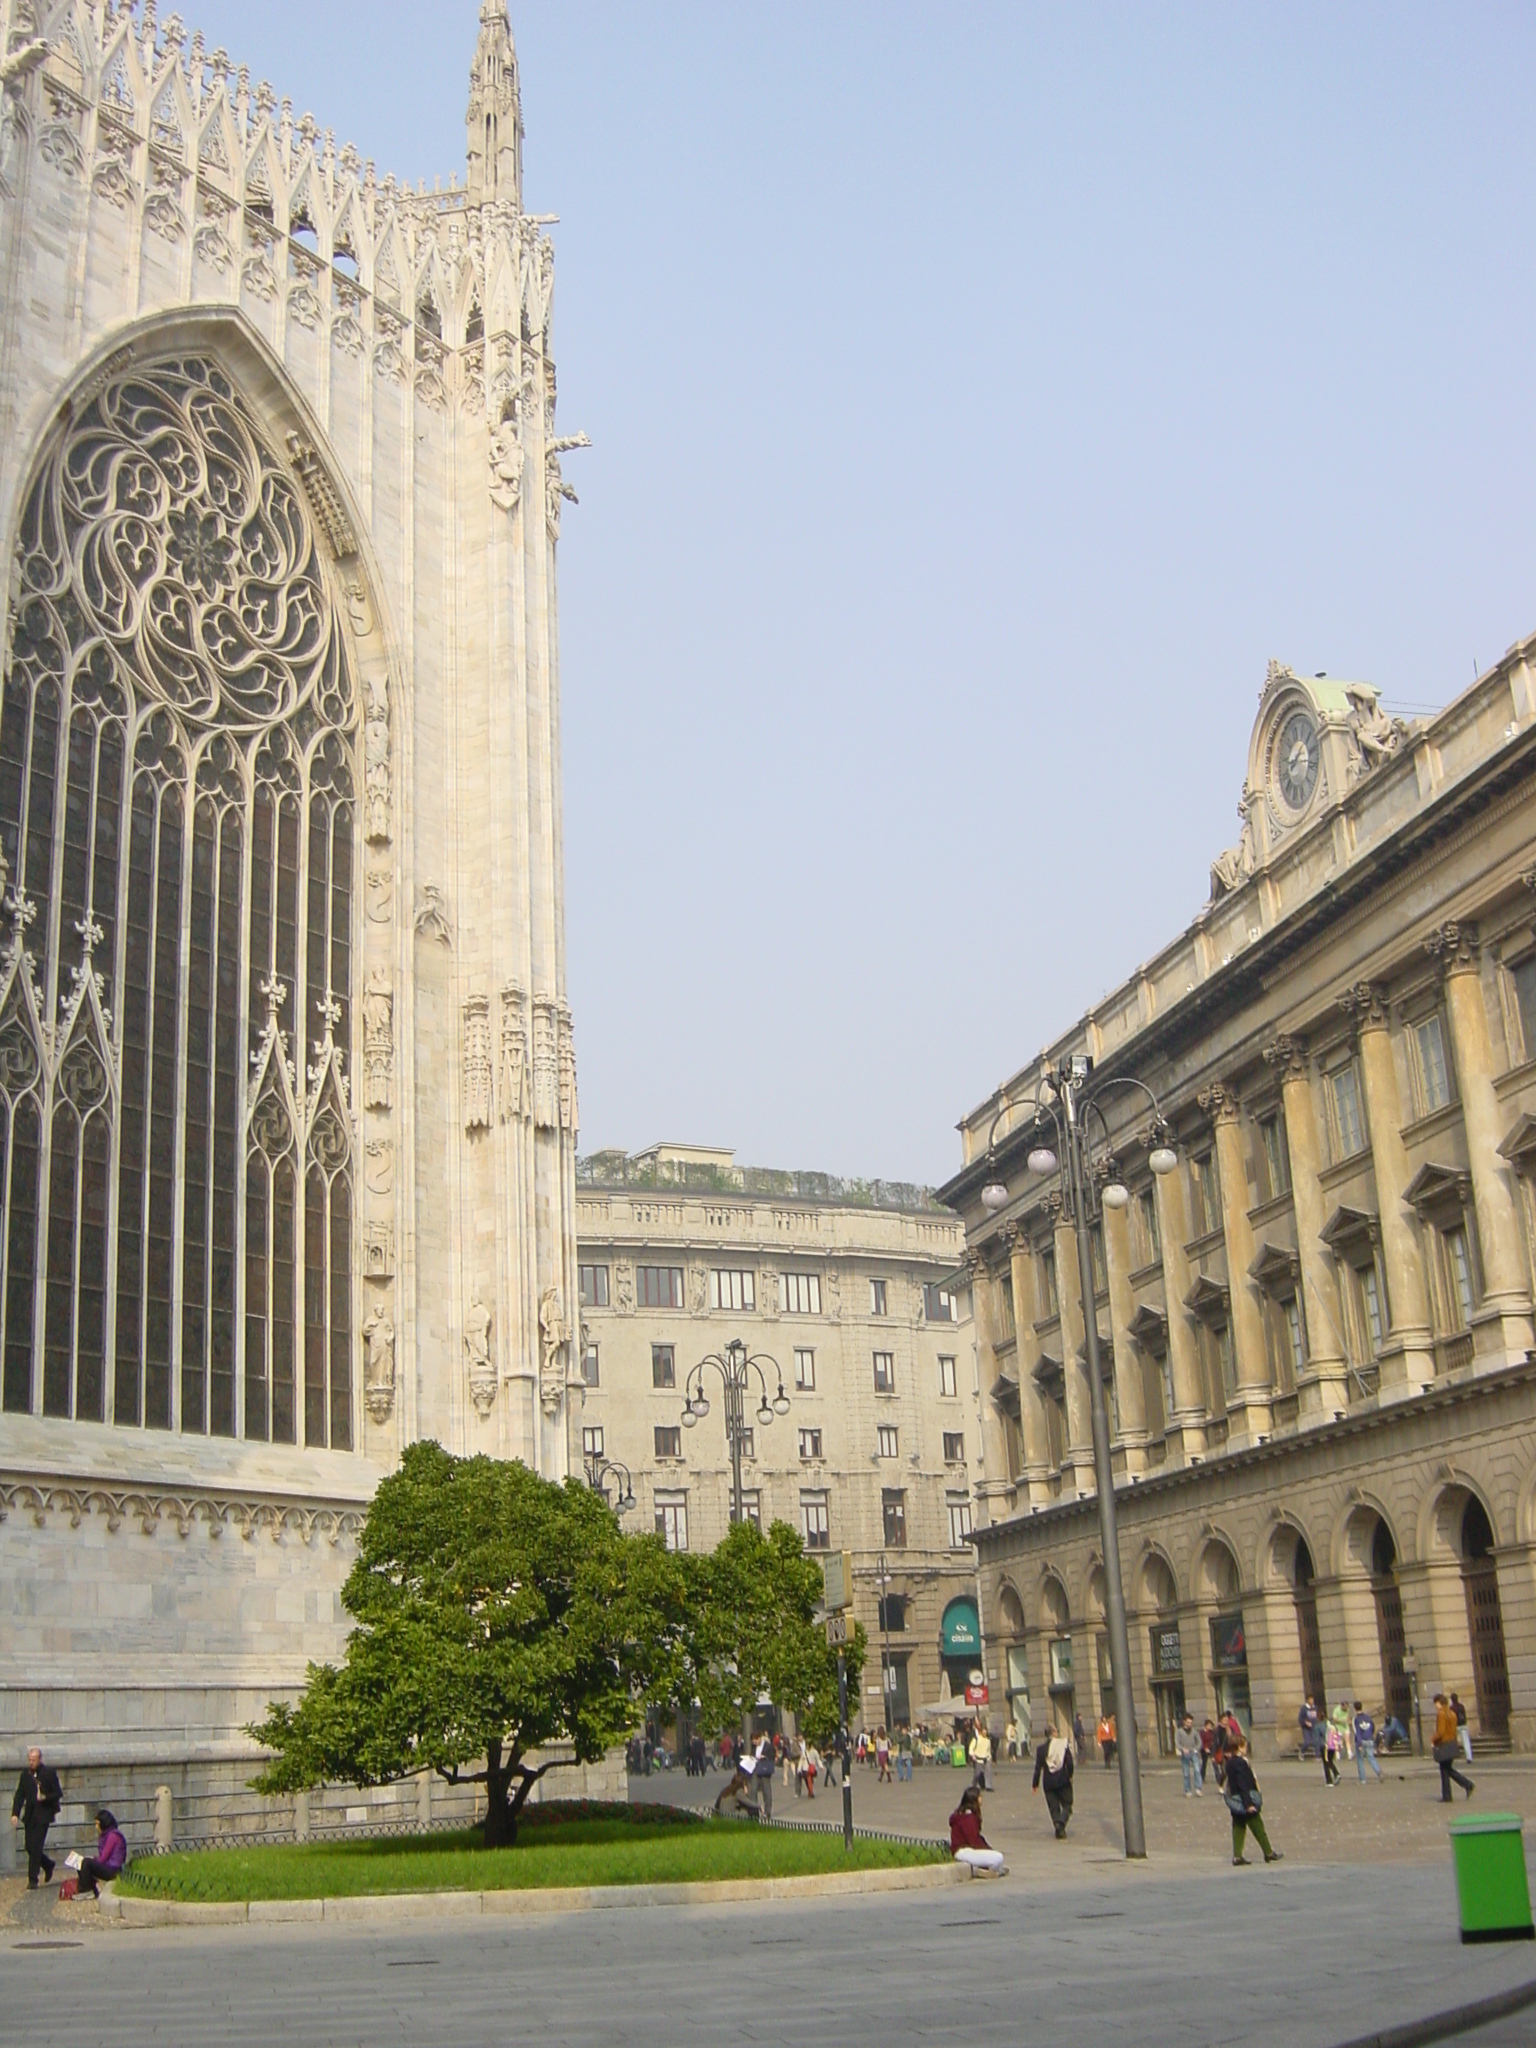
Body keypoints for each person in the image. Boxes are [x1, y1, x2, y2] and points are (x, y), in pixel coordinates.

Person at [1224, 1736, 1283, 1866]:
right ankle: (1268, 1852)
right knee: (1257, 1825)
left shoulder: (1230, 1762)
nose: (1246, 1749)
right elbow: (1242, 1784)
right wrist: (1248, 1803)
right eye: (1244, 1746)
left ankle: (1237, 1856)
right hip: (1244, 1798)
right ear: (1239, 1748)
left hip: (1235, 1799)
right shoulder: (1240, 1762)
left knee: (1238, 1827)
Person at [10, 1747, 62, 1890]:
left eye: (34, 1760)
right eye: (29, 1760)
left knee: (36, 1846)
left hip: (43, 1815)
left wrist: (45, 1798)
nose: (31, 1763)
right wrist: (15, 1813)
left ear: (40, 1759)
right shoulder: (25, 1775)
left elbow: (58, 1793)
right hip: (31, 1815)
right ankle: (47, 1864)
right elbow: (20, 1795)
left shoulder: (49, 1773)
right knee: (29, 1846)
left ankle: (33, 1879)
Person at [949, 1786, 1007, 1876]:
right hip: (963, 1851)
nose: (981, 1798)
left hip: (963, 1850)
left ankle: (983, 1869)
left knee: (994, 1857)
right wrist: (987, 1850)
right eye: (979, 1796)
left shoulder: (963, 1814)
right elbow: (974, 1840)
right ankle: (980, 1871)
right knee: (998, 1858)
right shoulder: (968, 1818)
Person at [1032, 1728, 1075, 1838]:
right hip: (1062, 1780)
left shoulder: (1041, 1749)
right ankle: (1061, 1822)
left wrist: (1035, 1784)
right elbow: (1069, 1763)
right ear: (1054, 1733)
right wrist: (1070, 1775)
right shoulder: (1062, 1746)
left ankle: (1058, 1828)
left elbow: (1038, 1768)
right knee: (1067, 1804)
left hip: (1048, 1782)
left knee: (1053, 1807)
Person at [77, 1810, 128, 1899]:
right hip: (109, 1866)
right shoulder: (106, 1835)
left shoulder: (113, 1836)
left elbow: (103, 1859)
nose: (96, 1827)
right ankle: (90, 1889)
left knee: (87, 1862)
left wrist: (92, 1859)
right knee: (80, 1862)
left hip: (113, 1869)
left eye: (97, 1824)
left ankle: (87, 1890)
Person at [1432, 1695, 1474, 1803]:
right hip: (1452, 1743)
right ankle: (1448, 1794)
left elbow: (1440, 1732)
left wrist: (1433, 1739)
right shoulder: (1452, 1714)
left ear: (1439, 1703)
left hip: (1444, 1744)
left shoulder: (1441, 1714)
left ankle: (1466, 1785)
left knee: (1445, 1769)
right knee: (1446, 1769)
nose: (1435, 1706)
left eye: (1435, 1704)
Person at [1352, 1702, 1382, 1784]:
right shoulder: (1368, 1717)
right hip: (1369, 1739)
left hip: (1361, 1740)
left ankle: (1363, 1779)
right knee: (1371, 1758)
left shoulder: (1356, 1719)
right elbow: (1372, 1727)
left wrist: (1359, 1744)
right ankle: (1378, 1771)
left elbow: (1357, 1732)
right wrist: (1371, 1736)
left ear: (1355, 1708)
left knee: (1360, 1760)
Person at [1176, 1712, 1203, 1797]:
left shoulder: (1194, 1731)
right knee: (1186, 1773)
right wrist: (1182, 1749)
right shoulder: (1179, 1731)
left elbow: (1199, 1742)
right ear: (1184, 1722)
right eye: (1188, 1722)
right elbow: (1177, 1742)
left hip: (1193, 1752)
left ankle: (1198, 1788)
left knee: (1197, 1770)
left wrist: (1196, 1749)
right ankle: (1188, 1790)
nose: (1189, 1724)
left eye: (1191, 1722)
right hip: (1185, 1753)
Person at [753, 1732, 775, 1819]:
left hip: (765, 1771)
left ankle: (767, 1812)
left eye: (755, 1741)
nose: (754, 1743)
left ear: (759, 1738)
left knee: (766, 1792)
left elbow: (772, 1756)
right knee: (753, 1790)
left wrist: (765, 1757)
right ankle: (755, 1811)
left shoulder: (768, 1746)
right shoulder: (754, 1747)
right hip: (756, 1770)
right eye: (753, 1742)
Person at [968, 1720, 993, 1791]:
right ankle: (973, 1785)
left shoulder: (988, 1740)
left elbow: (988, 1750)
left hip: (986, 1758)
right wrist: (972, 1755)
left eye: (986, 1731)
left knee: (988, 1772)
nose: (985, 1733)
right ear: (981, 1731)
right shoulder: (976, 1739)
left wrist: (989, 1757)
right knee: (977, 1774)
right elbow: (971, 1748)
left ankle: (988, 1786)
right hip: (978, 1758)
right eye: (984, 1731)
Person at [1451, 1692, 1473, 1766]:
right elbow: (1464, 1715)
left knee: (1453, 1741)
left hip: (1455, 1726)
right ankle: (1469, 1757)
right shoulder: (1461, 1706)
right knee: (1466, 1742)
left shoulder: (1451, 1708)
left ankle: (1453, 1755)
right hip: (1463, 1725)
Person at [1320, 1717, 1341, 1788]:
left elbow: (1325, 1738)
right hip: (1333, 1747)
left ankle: (1329, 1781)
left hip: (1326, 1747)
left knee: (1326, 1763)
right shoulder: (1336, 1728)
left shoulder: (1325, 1727)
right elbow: (1338, 1738)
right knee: (1330, 1761)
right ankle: (1336, 1773)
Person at [1199, 1718, 1217, 1784]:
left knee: (1214, 1761)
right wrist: (1205, 1748)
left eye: (1211, 1726)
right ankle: (1202, 1777)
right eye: (1209, 1726)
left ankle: (1218, 1777)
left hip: (1211, 1748)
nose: (1210, 1727)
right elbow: (1201, 1741)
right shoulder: (1202, 1732)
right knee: (1204, 1763)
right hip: (1204, 1749)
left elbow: (1213, 1739)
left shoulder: (1211, 1732)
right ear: (1205, 1725)